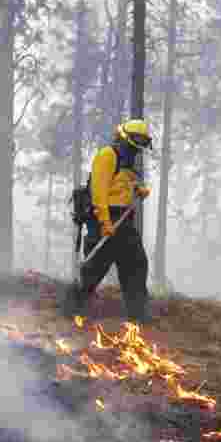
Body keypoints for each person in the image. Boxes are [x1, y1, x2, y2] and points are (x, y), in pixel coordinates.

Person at [70, 118, 153, 322]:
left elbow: (125, 182)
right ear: (124, 139)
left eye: (141, 145)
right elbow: (99, 193)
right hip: (103, 221)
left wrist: (138, 190)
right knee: (93, 271)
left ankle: (138, 317)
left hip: (124, 222)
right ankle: (71, 311)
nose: (138, 150)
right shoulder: (107, 156)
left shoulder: (129, 159)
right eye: (136, 144)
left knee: (136, 265)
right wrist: (105, 223)